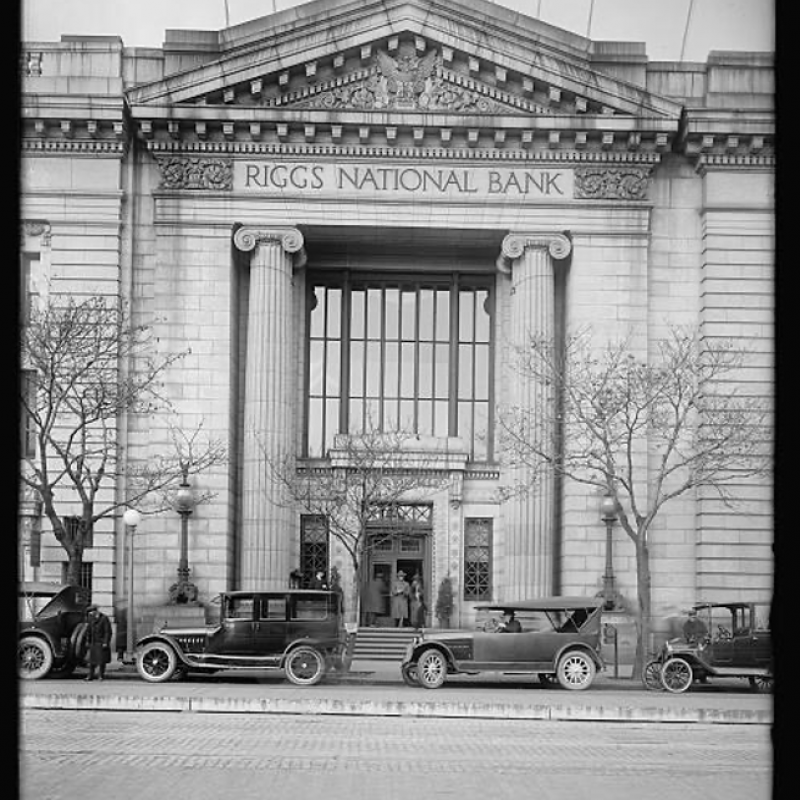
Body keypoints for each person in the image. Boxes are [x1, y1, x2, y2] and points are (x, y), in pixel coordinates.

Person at [84, 604, 112, 681]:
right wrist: (87, 641)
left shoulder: (104, 618)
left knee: (101, 661)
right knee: (91, 660)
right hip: (93, 642)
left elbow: (108, 631)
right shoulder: (90, 618)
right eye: (89, 612)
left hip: (101, 642)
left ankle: (100, 675)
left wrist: (106, 642)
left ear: (96, 611)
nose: (90, 614)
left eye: (91, 612)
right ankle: (90, 675)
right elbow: (88, 630)